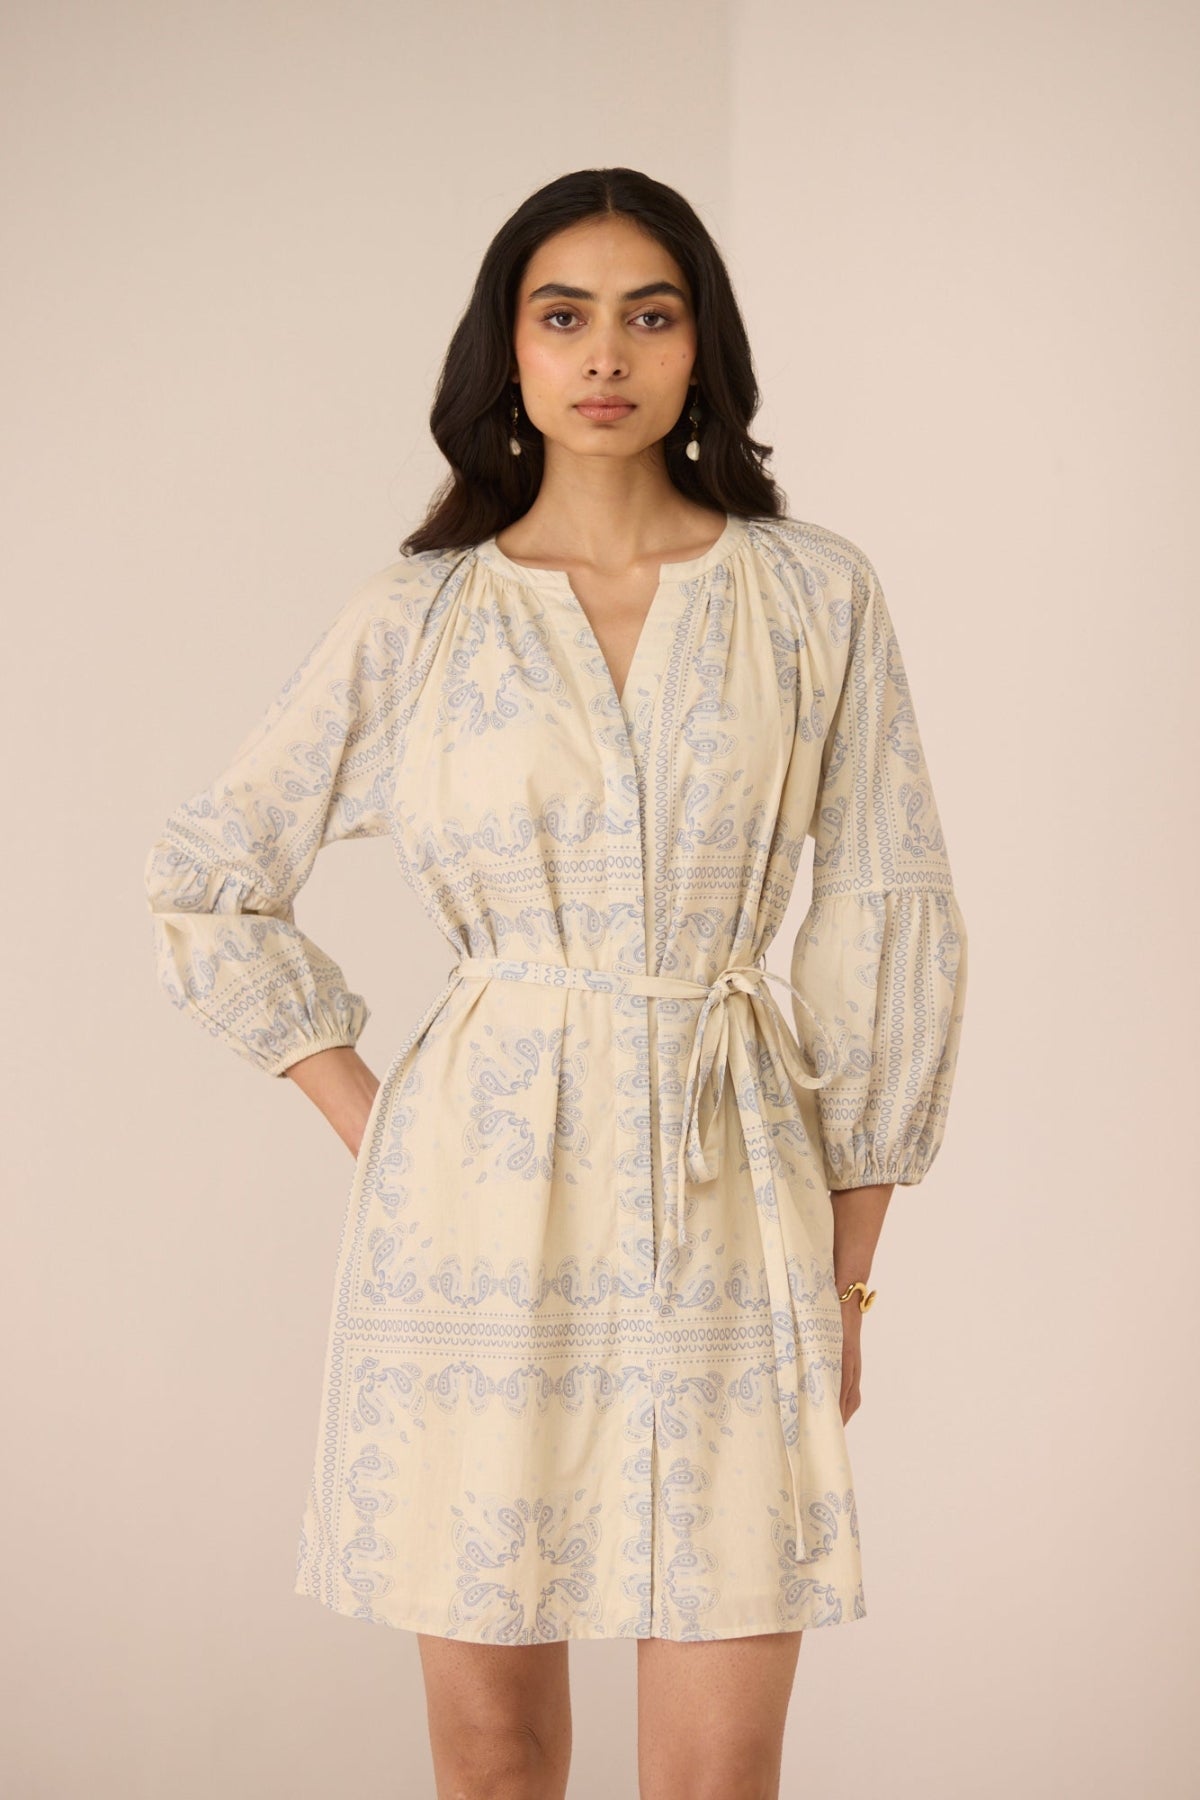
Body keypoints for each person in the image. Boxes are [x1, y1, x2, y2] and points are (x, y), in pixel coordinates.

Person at [143, 167, 969, 1800]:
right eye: (564, 314)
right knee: (496, 1760)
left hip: (737, 1198)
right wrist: (376, 1120)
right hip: (469, 1216)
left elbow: (884, 913)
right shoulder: (421, 616)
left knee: (719, 1774)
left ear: (701, 348)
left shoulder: (813, 596)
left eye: (650, 315)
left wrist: (848, 1265)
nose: (608, 354)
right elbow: (209, 880)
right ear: (507, 354)